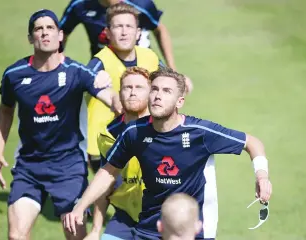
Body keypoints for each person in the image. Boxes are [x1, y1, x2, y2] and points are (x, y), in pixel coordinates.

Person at [63, 67, 273, 240]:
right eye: (154, 89)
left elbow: (252, 142)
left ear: (180, 102)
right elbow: (109, 171)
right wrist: (81, 207)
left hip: (189, 230)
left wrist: (262, 176)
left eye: (166, 91)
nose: (157, 96)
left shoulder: (200, 133)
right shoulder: (134, 132)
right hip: (149, 227)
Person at [0, 9, 120, 240]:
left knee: (75, 235)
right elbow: (5, 109)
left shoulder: (76, 72)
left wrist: (123, 98)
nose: (45, 33)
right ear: (31, 38)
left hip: (68, 167)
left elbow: (109, 97)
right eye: (38, 29)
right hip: (29, 166)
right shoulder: (15, 75)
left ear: (60, 35)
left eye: (50, 28)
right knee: (16, 236)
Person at [82, 2, 164, 173]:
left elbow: (170, 82)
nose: (124, 32)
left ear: (138, 32)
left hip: (144, 138)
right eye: (118, 26)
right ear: (107, 33)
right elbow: (83, 79)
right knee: (110, 194)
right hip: (106, 144)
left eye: (129, 26)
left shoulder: (150, 57)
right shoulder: (99, 63)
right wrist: (96, 82)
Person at [85, 67, 151, 240]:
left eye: (139, 88)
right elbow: (105, 183)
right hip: (125, 217)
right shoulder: (108, 134)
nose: (132, 92)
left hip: (158, 218)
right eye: (128, 88)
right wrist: (95, 230)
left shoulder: (164, 129)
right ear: (120, 94)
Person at [59, 0, 176, 69]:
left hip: (141, 64)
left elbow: (159, 29)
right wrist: (60, 63)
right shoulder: (80, 5)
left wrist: (172, 68)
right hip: (105, 66)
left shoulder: (141, 4)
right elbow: (62, 31)